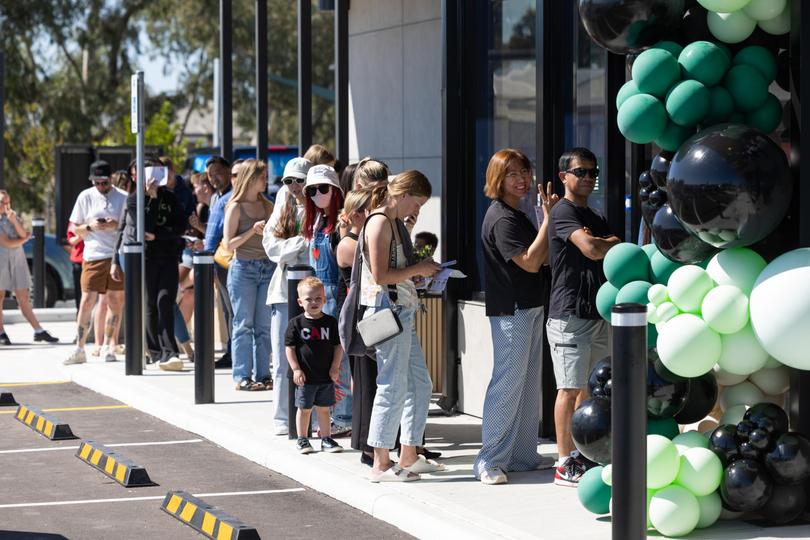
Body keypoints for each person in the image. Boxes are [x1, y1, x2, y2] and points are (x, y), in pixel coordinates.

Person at [474, 149, 557, 485]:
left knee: (526, 384)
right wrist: (550, 220)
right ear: (498, 179)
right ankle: (489, 460)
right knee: (508, 384)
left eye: (524, 171)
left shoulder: (515, 213)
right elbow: (530, 262)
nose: (522, 179)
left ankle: (522, 455)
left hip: (529, 304)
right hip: (513, 309)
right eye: (512, 174)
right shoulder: (503, 218)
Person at [358, 171, 443, 482]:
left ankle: (408, 453)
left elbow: (394, 271)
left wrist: (415, 274)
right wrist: (418, 268)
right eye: (417, 203)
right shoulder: (380, 221)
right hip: (387, 310)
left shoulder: (392, 222)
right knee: (392, 384)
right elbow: (380, 276)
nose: (416, 211)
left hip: (399, 308)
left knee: (420, 383)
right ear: (404, 194)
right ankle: (380, 460)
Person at [546, 147, 620, 487]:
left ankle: (583, 455)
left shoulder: (594, 215)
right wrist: (604, 241)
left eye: (593, 172)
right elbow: (592, 250)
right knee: (569, 388)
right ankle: (563, 462)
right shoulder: (563, 211)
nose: (589, 178)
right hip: (569, 315)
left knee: (588, 390)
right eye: (581, 172)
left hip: (596, 313)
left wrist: (604, 240)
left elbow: (613, 247)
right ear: (564, 177)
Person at [302, 164, 353, 434]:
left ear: (336, 190)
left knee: (339, 358)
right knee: (320, 359)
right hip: (317, 296)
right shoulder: (316, 222)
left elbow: (346, 267)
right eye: (312, 190)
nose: (317, 194)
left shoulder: (342, 221)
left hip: (337, 294)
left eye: (323, 188)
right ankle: (328, 417)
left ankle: (344, 418)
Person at [263, 157, 312, 434]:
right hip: (283, 289)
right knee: (283, 358)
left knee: (312, 357)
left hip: (312, 289)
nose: (293, 186)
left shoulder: (317, 204)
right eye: (288, 180)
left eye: (299, 180)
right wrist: (300, 243)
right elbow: (271, 247)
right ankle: (282, 417)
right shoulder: (284, 201)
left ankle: (313, 418)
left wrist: (289, 247)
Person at [64, 161, 127, 365]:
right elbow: (74, 230)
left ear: (111, 179)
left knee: (115, 301)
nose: (101, 186)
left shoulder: (123, 197)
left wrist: (114, 225)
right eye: (97, 182)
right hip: (93, 255)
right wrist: (90, 227)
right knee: (87, 300)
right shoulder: (86, 196)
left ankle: (110, 345)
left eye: (104, 182)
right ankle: (80, 347)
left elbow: (129, 227)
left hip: (116, 254)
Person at [224, 159, 275, 391]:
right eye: (262, 177)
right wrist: (251, 231)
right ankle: (242, 376)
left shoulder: (268, 204)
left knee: (263, 327)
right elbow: (228, 243)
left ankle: (264, 374)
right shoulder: (235, 206)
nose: (266, 180)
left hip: (266, 267)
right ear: (251, 178)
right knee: (243, 324)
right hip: (243, 268)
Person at [336, 189, 376, 464]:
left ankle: (375, 442)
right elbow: (377, 269)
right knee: (365, 380)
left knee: (374, 378)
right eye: (370, 211)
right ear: (357, 214)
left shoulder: (362, 238)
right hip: (361, 317)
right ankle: (365, 445)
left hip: (370, 313)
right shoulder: (349, 243)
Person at [285, 276, 344, 455]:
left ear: (325, 300)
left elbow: (337, 346)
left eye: (318, 298)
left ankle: (326, 439)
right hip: (305, 376)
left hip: (325, 375)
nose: (314, 302)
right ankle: (303, 439)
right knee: (304, 409)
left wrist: (335, 367)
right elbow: (290, 348)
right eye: (309, 299)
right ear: (300, 302)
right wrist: (296, 369)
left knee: (324, 409)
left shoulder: (331, 322)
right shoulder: (296, 323)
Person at [0, 190, 59, 345]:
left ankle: (38, 331)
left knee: (23, 297)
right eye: (2, 202)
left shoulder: (12, 217)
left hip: (17, 260)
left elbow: (23, 233)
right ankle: (1, 332)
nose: (5, 205)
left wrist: (14, 222)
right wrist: (23, 239)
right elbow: (7, 242)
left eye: (7, 202)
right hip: (1, 261)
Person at [203, 156, 234, 367]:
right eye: (210, 175)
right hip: (217, 262)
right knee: (226, 310)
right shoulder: (216, 198)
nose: (214, 178)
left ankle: (235, 354)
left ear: (228, 171)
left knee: (233, 310)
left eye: (217, 173)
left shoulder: (231, 198)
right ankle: (231, 352)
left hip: (229, 260)